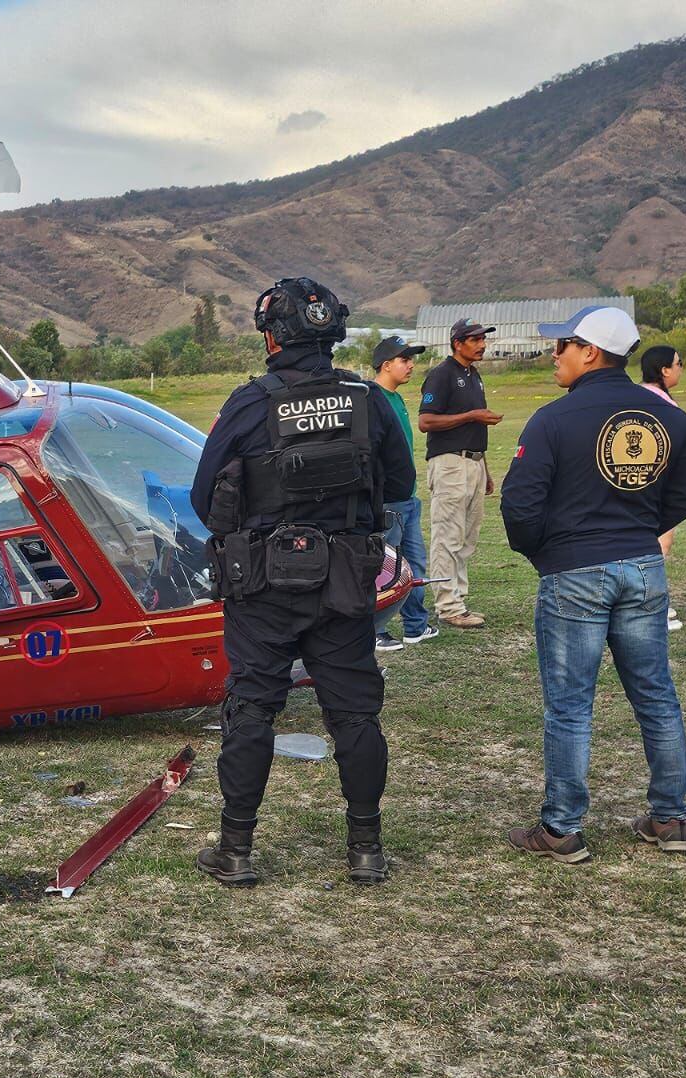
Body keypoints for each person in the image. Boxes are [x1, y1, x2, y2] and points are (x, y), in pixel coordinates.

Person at [191, 277, 416, 886]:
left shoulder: (249, 402)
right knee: (354, 714)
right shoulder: (367, 399)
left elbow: (201, 493)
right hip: (345, 580)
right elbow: (399, 487)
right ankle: (365, 848)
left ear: (272, 336)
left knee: (252, 708)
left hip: (262, 583)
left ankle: (235, 849)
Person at [500, 307, 686, 862]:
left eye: (563, 346)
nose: (554, 355)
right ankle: (672, 817)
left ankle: (561, 828)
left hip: (575, 571)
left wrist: (545, 551)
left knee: (570, 706)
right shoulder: (670, 418)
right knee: (657, 697)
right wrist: (643, 529)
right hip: (642, 566)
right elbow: (681, 494)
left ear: (589, 351)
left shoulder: (554, 419)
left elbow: (519, 504)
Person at [418, 318, 503, 629]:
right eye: (475, 339)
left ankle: (458, 600)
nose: (481, 345)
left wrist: (485, 469)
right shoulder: (441, 375)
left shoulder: (473, 375)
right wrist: (471, 415)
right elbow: (426, 421)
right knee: (447, 537)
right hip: (450, 464)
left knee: (467, 537)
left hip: (474, 463)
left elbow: (474, 427)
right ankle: (447, 605)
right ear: (457, 343)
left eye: (483, 339)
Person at [369, 336, 436, 651]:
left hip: (409, 499)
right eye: (404, 360)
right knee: (383, 568)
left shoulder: (396, 398)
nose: (411, 365)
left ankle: (415, 626)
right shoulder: (373, 400)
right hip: (389, 501)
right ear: (386, 365)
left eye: (411, 359)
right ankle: (376, 630)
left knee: (415, 565)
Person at [640, 345, 685, 629]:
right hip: (656, 486)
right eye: (679, 364)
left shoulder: (636, 395)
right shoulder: (662, 405)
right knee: (658, 544)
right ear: (664, 370)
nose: (681, 368)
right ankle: (653, 606)